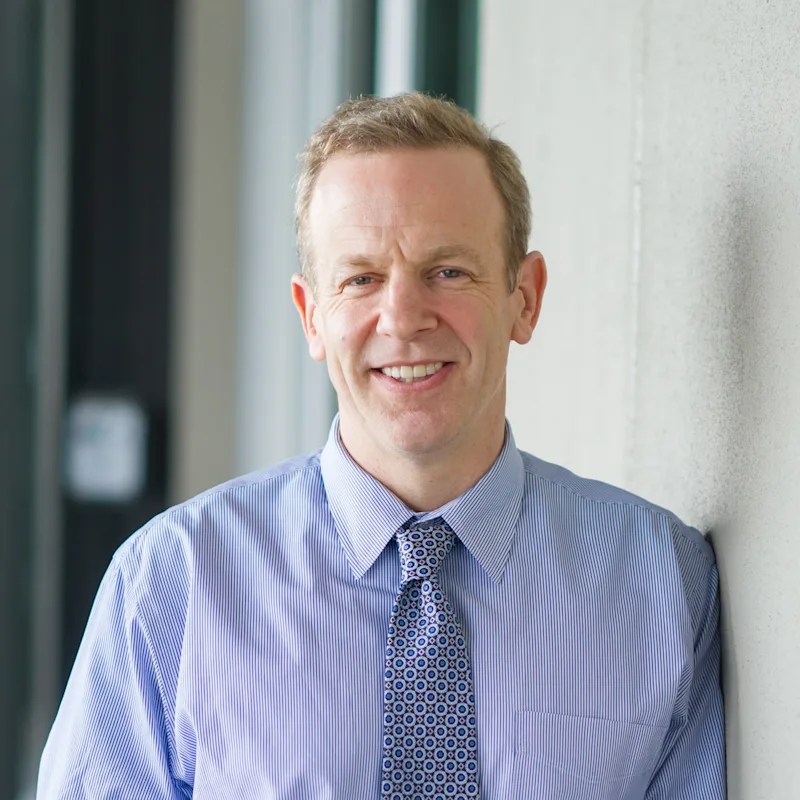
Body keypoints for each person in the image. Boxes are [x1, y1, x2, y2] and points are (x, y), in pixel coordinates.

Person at [38, 92, 725, 799]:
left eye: (448, 271)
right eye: (361, 279)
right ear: (312, 317)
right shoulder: (171, 585)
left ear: (525, 297)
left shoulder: (663, 582)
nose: (401, 317)